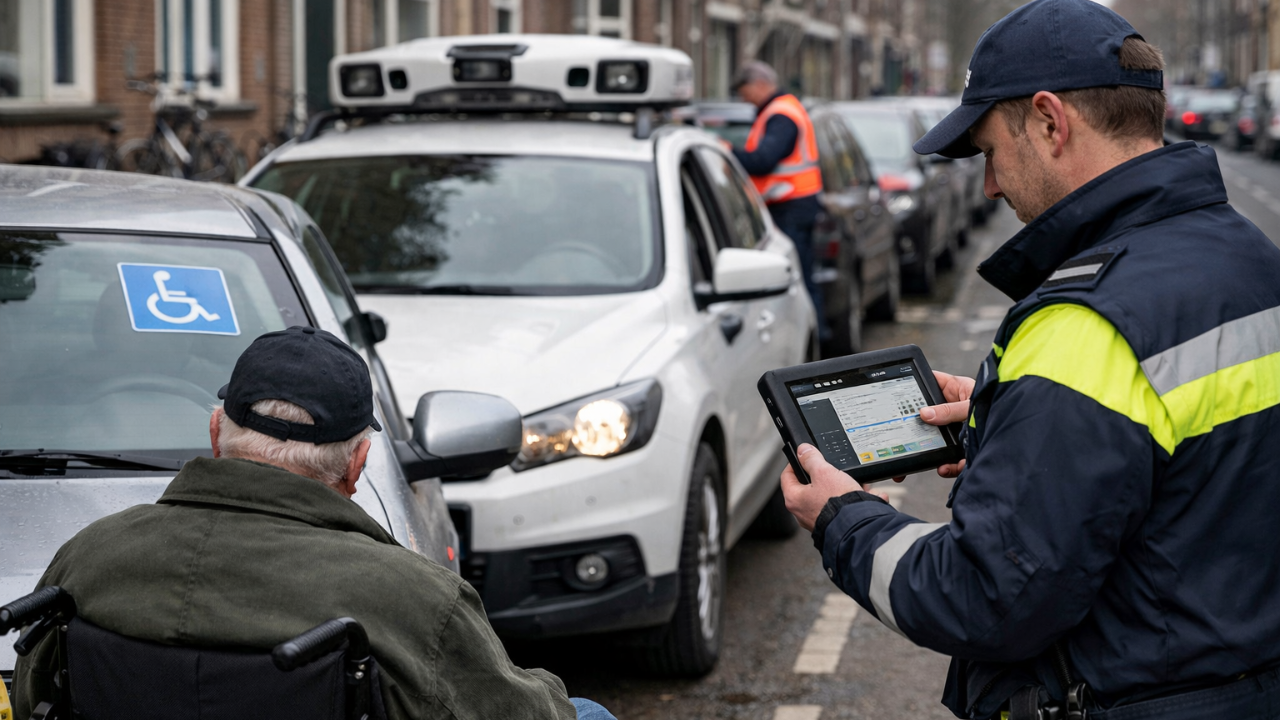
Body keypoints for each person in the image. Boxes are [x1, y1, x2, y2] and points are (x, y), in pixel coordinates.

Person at [779, 1, 1280, 718]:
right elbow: (1200, 465)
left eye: (989, 151)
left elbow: (983, 597)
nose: (989, 185)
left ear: (1049, 122)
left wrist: (842, 520)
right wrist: (1011, 416)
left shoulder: (1086, 324)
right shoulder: (1249, 255)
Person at [12, 326, 615, 720]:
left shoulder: (89, 557)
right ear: (356, 464)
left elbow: (30, 693)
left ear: (217, 433)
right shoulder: (416, 598)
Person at [730, 61, 828, 342]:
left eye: (745, 91)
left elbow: (763, 161)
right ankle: (816, 340)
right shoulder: (782, 110)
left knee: (798, 280)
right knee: (803, 276)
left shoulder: (781, 115)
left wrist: (728, 152)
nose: (744, 99)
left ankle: (814, 342)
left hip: (790, 207)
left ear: (761, 84)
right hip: (795, 205)